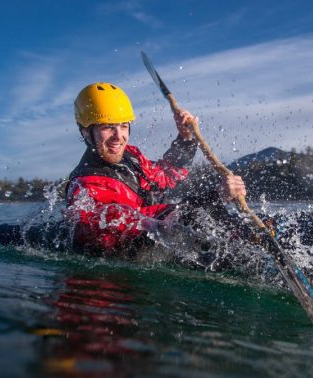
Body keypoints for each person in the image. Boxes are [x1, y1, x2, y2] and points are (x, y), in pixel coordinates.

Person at [67, 82, 246, 255]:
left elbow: (164, 177)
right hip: (130, 267)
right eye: (107, 127)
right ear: (85, 131)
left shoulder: (130, 157)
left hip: (164, 241)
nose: (119, 136)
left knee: (227, 223)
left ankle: (249, 236)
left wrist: (186, 139)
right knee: (203, 220)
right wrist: (213, 198)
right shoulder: (86, 186)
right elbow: (145, 224)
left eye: (123, 126)